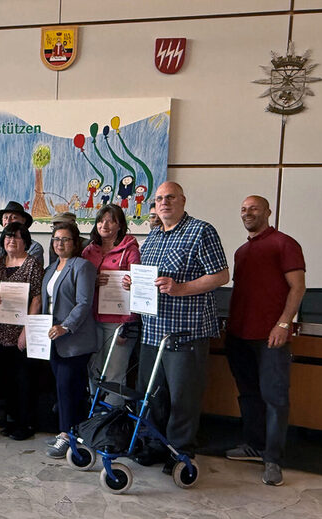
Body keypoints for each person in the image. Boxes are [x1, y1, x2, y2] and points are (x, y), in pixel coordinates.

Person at [123, 181, 229, 474]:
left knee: (183, 398)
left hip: (186, 333)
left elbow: (221, 275)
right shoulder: (154, 235)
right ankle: (155, 445)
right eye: (159, 198)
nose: (164, 202)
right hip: (152, 330)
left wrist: (181, 288)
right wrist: (134, 283)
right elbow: (149, 277)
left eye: (170, 197)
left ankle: (180, 452)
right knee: (152, 395)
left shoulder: (201, 231)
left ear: (182, 200)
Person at [224, 195, 305, 486]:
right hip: (239, 335)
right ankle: (254, 445)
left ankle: (273, 459)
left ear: (268, 212)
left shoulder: (285, 243)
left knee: (275, 398)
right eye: (243, 209)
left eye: (254, 208)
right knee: (248, 394)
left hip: (271, 337)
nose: (247, 213)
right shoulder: (242, 251)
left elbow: (298, 287)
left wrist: (283, 324)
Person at [41, 222, 97, 458]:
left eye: (65, 239)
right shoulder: (51, 268)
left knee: (68, 388)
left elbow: (84, 303)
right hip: (53, 339)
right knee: (63, 388)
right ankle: (70, 432)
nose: (60, 243)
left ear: (75, 243)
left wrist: (65, 326)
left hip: (74, 340)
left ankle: (67, 436)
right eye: (56, 239)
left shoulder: (82, 266)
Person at [0, 222, 44, 441]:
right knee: (4, 379)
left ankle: (25, 423)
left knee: (24, 380)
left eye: (17, 237)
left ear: (25, 241)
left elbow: (37, 299)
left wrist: (26, 329)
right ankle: (11, 420)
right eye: (8, 236)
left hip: (21, 331)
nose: (11, 240)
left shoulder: (32, 264)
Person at [81, 204, 140, 406]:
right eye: (100, 220)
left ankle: (112, 418)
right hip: (91, 321)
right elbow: (80, 283)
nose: (104, 225)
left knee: (114, 374)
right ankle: (95, 415)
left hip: (118, 323)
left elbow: (137, 287)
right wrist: (92, 281)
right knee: (93, 370)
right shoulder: (88, 251)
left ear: (120, 225)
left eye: (110, 221)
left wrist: (128, 325)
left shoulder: (130, 251)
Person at [0, 201, 44, 267]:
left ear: (23, 221)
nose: (8, 221)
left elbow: (32, 269)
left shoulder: (34, 247)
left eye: (14, 217)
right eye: (5, 218)